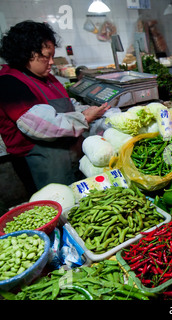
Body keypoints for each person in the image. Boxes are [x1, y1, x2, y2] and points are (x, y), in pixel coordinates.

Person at [0, 20, 111, 193]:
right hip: (42, 163)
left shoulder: (45, 77)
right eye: (46, 56)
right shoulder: (10, 83)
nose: (52, 62)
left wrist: (88, 111)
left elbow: (65, 104)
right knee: (57, 204)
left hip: (66, 156)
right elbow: (43, 126)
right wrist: (85, 118)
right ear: (26, 53)